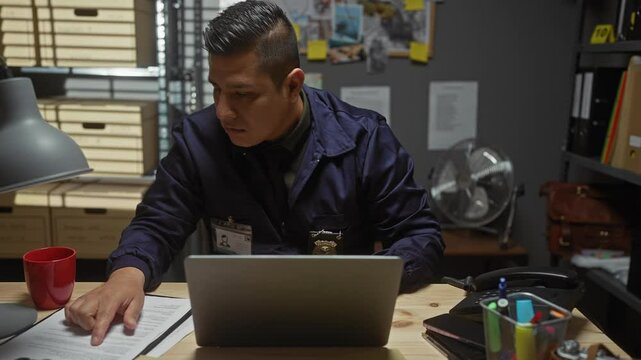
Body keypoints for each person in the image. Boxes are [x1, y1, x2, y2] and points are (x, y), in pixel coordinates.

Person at [64, 0, 444, 346]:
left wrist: (369, 280)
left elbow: (420, 235)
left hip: (340, 333)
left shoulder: (364, 139)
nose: (223, 111)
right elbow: (158, 224)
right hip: (236, 334)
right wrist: (128, 272)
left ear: (293, 84)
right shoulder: (199, 140)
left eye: (242, 95)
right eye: (216, 90)